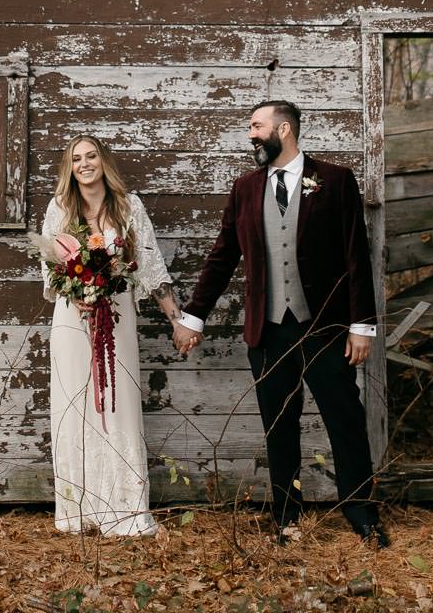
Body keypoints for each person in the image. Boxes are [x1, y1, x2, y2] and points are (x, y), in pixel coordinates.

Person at [174, 101, 387, 546]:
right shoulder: (245, 188)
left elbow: (355, 256)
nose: (251, 135)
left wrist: (361, 325)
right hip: (269, 330)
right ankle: (287, 515)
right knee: (280, 425)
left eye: (257, 126)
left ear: (284, 129)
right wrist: (193, 316)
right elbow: (221, 258)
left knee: (344, 419)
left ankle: (361, 511)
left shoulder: (335, 180)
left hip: (325, 327)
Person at [40, 134, 185, 536]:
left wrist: (176, 318)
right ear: (69, 169)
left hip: (116, 314)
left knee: (117, 401)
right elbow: (51, 269)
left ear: (103, 162)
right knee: (75, 403)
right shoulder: (60, 208)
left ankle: (123, 507)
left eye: (91, 156)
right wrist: (77, 293)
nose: (84, 164)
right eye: (76, 159)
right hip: (72, 318)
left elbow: (152, 269)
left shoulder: (128, 207)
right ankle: (77, 511)